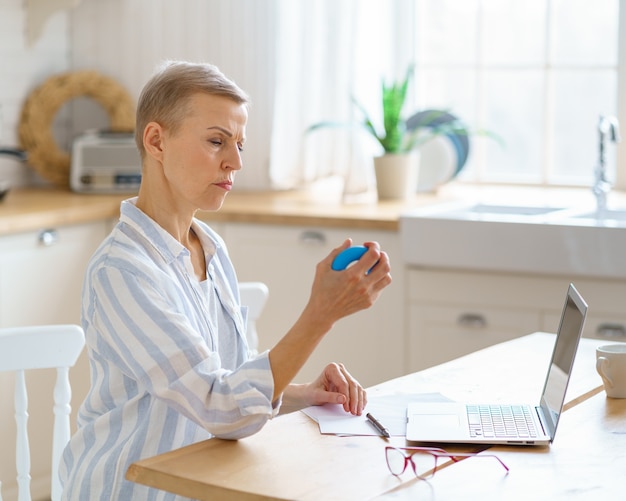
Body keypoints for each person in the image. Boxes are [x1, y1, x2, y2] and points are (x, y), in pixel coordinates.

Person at [60, 60, 392, 500]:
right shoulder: (122, 272)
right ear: (156, 141)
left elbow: (226, 382)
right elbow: (223, 408)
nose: (235, 162)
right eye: (217, 141)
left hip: (203, 483)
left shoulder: (210, 248)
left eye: (239, 144)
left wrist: (305, 395)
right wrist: (321, 314)